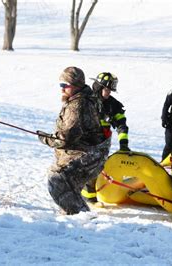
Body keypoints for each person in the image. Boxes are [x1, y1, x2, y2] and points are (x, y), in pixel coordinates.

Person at [37, 66, 111, 215]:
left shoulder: (77, 105)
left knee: (57, 181)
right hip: (90, 153)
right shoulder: (81, 99)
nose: (62, 89)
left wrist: (44, 138)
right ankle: (74, 218)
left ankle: (81, 219)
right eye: (60, 85)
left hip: (87, 155)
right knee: (69, 188)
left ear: (76, 86)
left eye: (65, 85)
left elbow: (66, 138)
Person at [81, 72, 130, 203]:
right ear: (98, 87)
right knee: (87, 171)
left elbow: (122, 126)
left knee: (96, 171)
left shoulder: (113, 105)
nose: (109, 93)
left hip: (102, 144)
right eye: (107, 89)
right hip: (84, 142)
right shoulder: (85, 100)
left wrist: (123, 144)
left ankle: (91, 197)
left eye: (110, 90)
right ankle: (88, 200)